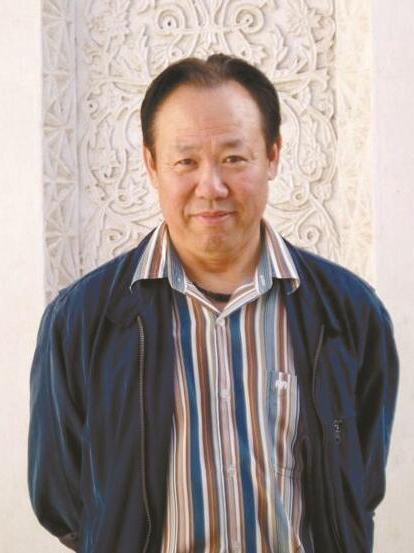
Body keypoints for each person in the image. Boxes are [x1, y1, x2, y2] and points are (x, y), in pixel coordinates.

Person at [28, 54, 398, 553]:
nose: (211, 187)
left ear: (272, 156)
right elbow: (62, 500)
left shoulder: (349, 312)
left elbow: (358, 484)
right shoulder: (81, 321)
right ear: (151, 164)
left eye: (234, 158)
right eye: (185, 161)